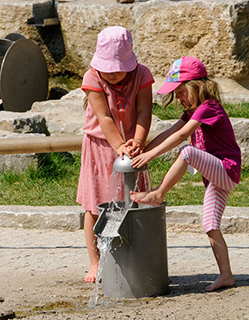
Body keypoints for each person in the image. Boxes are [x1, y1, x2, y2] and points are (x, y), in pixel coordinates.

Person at [129, 56, 241, 292]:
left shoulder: (208, 108)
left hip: (227, 170)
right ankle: (226, 275)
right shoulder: (192, 111)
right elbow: (170, 131)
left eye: (180, 92)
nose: (178, 98)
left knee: (188, 151)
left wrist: (150, 157)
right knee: (210, 225)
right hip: (215, 177)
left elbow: (181, 137)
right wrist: (143, 152)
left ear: (196, 87)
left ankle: (158, 194)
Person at [77, 26, 154, 283]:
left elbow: (144, 111)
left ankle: (138, 256)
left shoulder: (142, 74)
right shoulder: (92, 78)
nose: (111, 74)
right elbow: (104, 117)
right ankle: (95, 261)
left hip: (132, 144)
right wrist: (119, 145)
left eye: (117, 69)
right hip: (100, 145)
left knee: (135, 200)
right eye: (106, 69)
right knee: (95, 205)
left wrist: (137, 141)